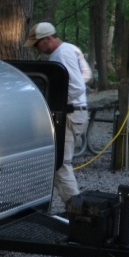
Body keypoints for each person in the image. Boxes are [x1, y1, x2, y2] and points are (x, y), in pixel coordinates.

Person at [25, 22, 93, 209]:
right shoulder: (70, 49)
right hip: (75, 113)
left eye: (38, 44)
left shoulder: (62, 54)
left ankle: (77, 211)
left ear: (47, 39)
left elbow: (78, 86)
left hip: (70, 114)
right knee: (60, 163)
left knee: (60, 165)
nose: (37, 49)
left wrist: (54, 103)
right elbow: (86, 75)